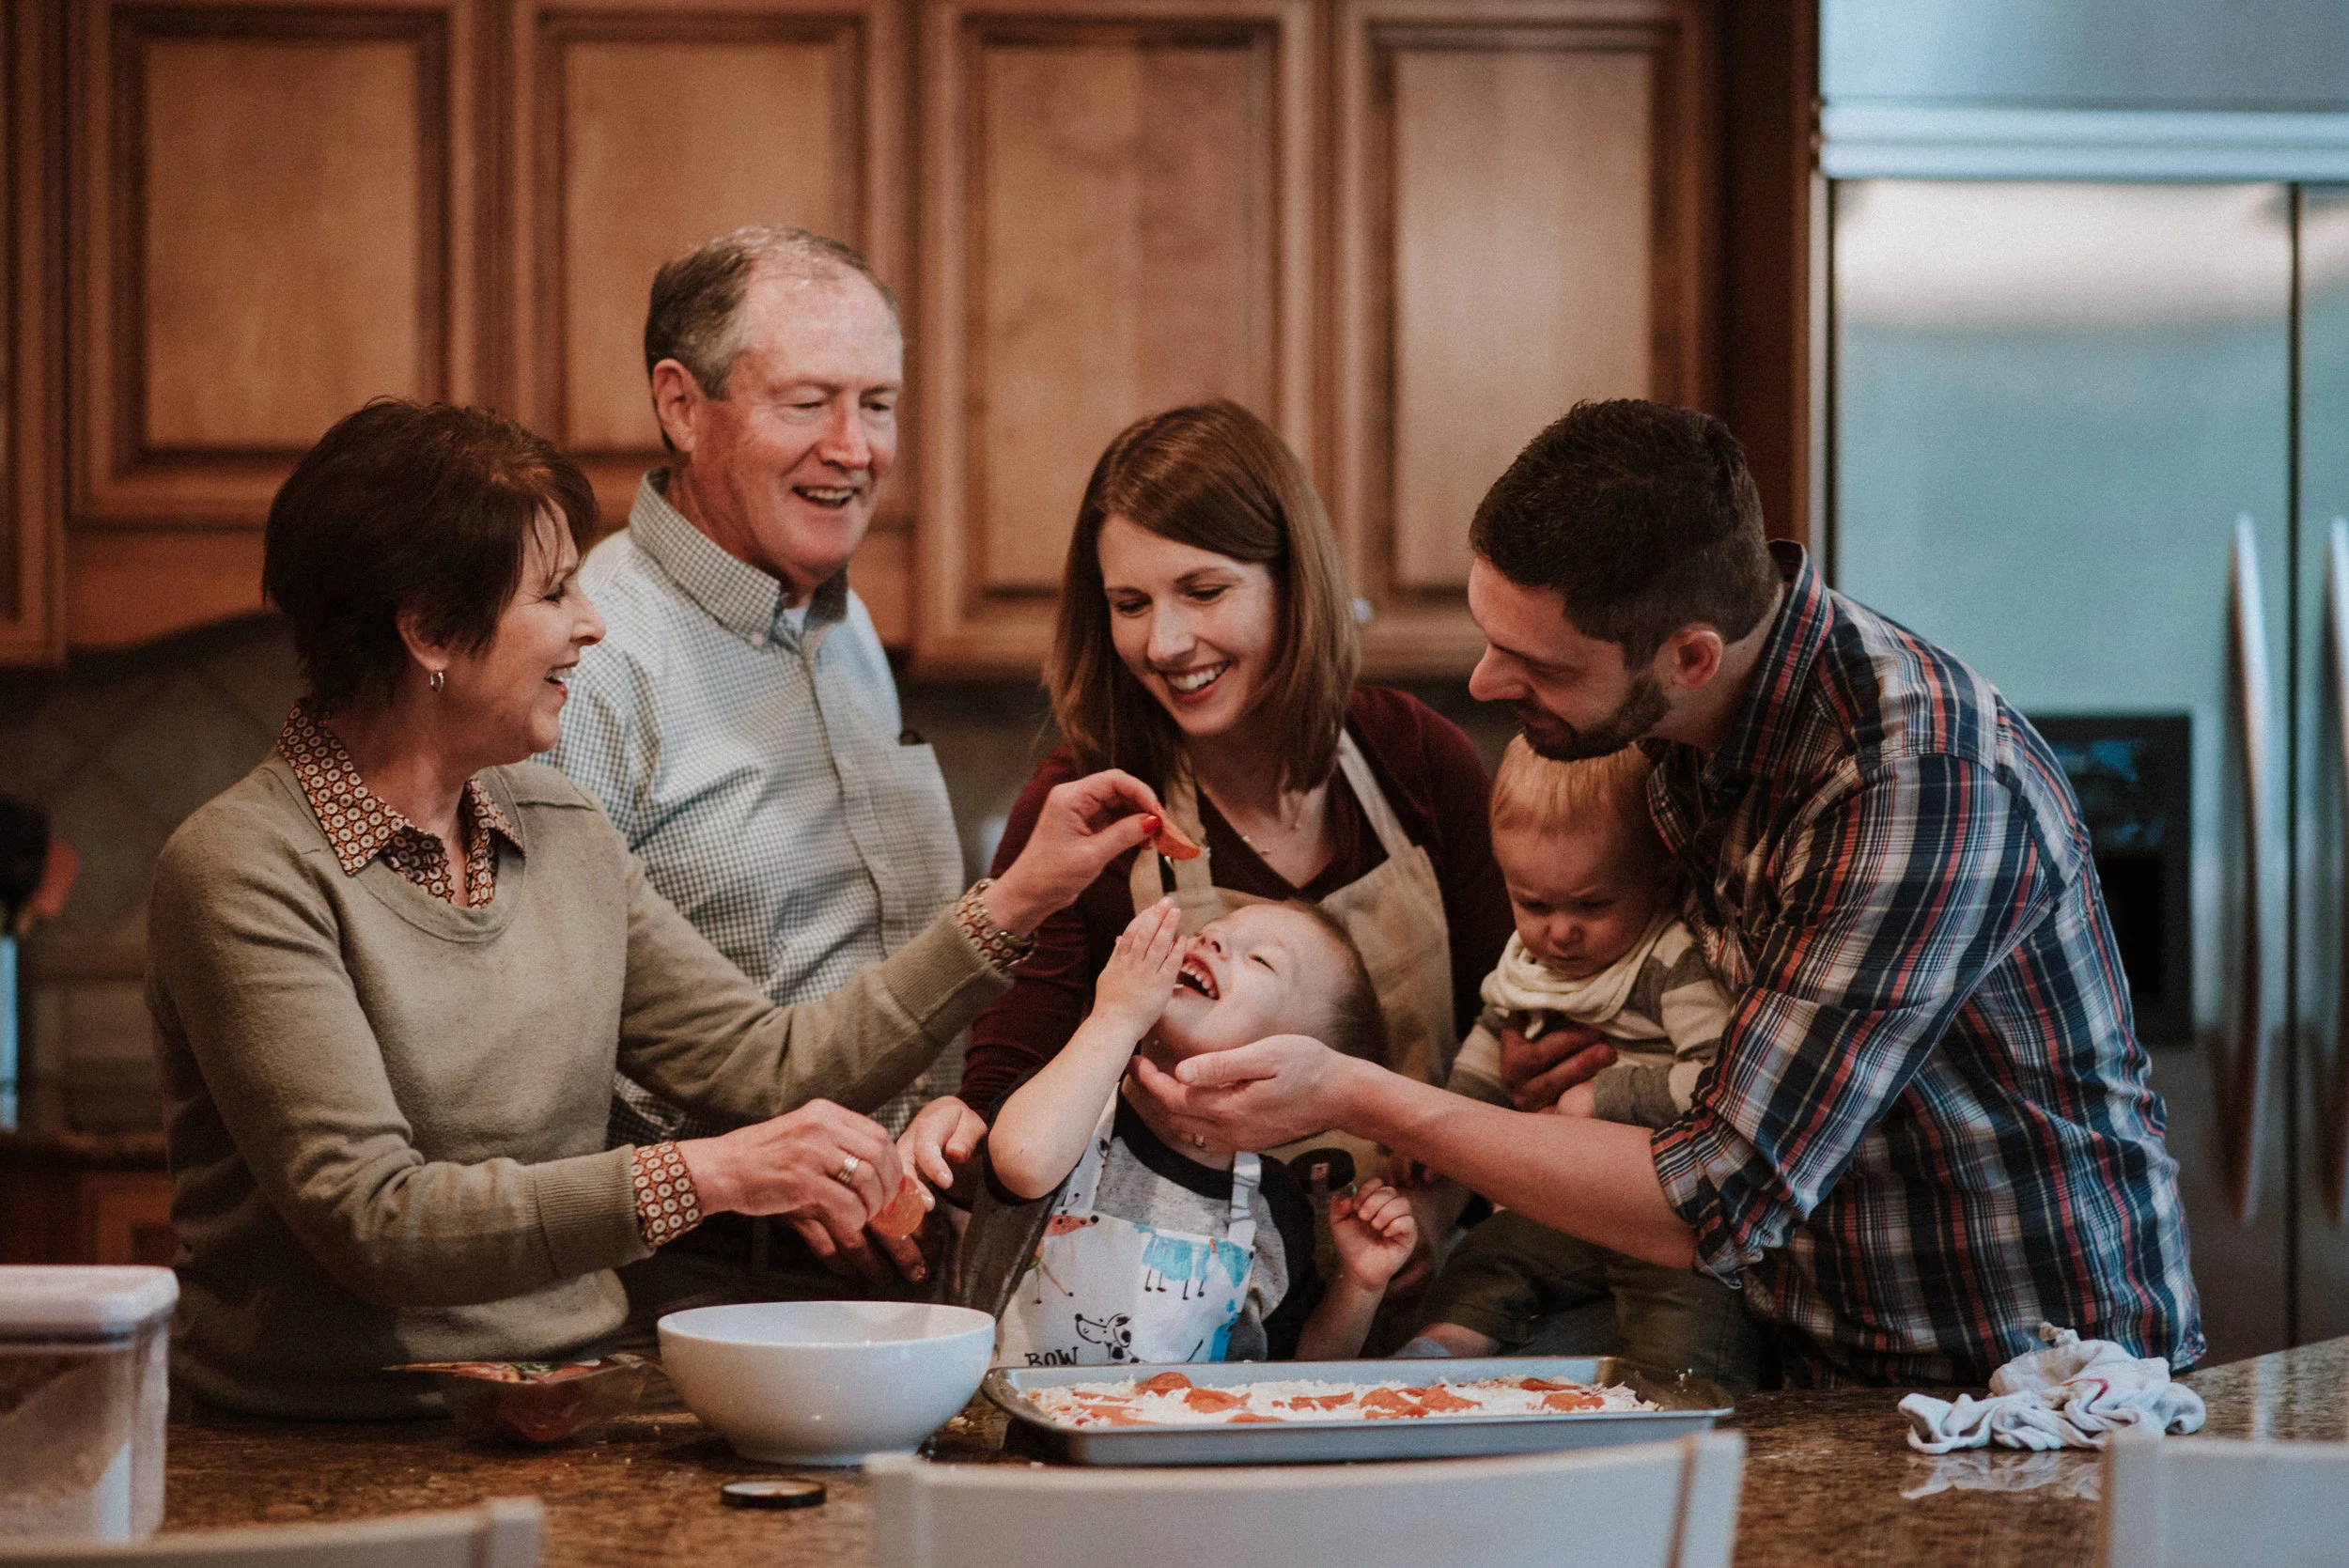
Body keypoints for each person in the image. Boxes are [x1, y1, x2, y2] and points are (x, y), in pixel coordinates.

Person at [1131, 398, 2202, 1388]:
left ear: (1689, 655)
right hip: (1816, 1349)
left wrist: (1353, 1092)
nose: (1486, 685)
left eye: (1536, 663)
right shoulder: (1689, 726)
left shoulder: (1914, 782)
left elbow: (1719, 1194)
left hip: (2023, 1368)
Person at [147, 400, 1168, 1419]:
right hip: (316, 1444)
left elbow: (769, 1065)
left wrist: (1021, 894)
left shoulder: (558, 827)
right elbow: (375, 1218)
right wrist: (707, 1175)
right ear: (426, 630)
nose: (590, 622)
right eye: (552, 592)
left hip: (570, 1411)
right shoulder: (244, 867)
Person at [542, 225, 971, 1313]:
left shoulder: (845, 624)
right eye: (806, 402)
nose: (854, 446)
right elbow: (543, 1037)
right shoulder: (596, 658)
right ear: (681, 405)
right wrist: (761, 1167)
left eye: (876, 405)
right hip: (705, 1286)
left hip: (907, 1264)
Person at [959, 401, 1514, 1181]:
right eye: (1130, 604)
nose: (1165, 643)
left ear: (1294, 582)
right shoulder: (1086, 811)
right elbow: (998, 1107)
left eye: (1205, 590)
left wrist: (1434, 1209)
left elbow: (1512, 1022)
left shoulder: (1414, 757)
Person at [1396, 738, 1759, 1388]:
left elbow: (1720, 1077)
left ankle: (1668, 1409)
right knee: (1487, 1257)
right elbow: (1490, 1035)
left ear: (1661, 878)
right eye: (1533, 904)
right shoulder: (1530, 962)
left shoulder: (1668, 962)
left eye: (1591, 905)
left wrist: (1604, 1096)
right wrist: (1440, 1132)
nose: (1559, 931)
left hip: (1665, 1219)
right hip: (1560, 1204)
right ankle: (1439, 1353)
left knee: (1689, 1324)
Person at [960, 900, 1416, 1365]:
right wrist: (1115, 1015)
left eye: (1261, 960)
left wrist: (1359, 1285)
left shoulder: (1273, 1208)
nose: (1212, 940)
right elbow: (1025, 1161)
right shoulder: (1064, 1106)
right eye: (1211, 931)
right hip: (1009, 1434)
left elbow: (1300, 1375)